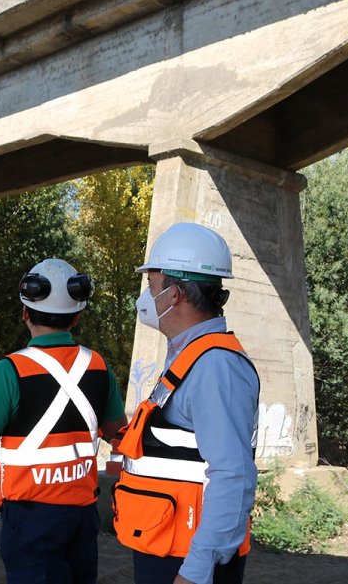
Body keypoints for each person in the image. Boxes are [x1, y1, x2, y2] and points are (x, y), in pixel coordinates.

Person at [0, 258, 127, 584]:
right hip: (82, 513)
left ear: (25, 313)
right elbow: (119, 435)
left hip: (32, 519)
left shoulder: (10, 371)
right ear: (77, 315)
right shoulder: (98, 366)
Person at [111, 223, 260, 584]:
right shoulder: (190, 357)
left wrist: (197, 571)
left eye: (151, 287)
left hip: (185, 562)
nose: (146, 299)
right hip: (165, 545)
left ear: (174, 294)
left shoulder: (215, 367)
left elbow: (232, 475)